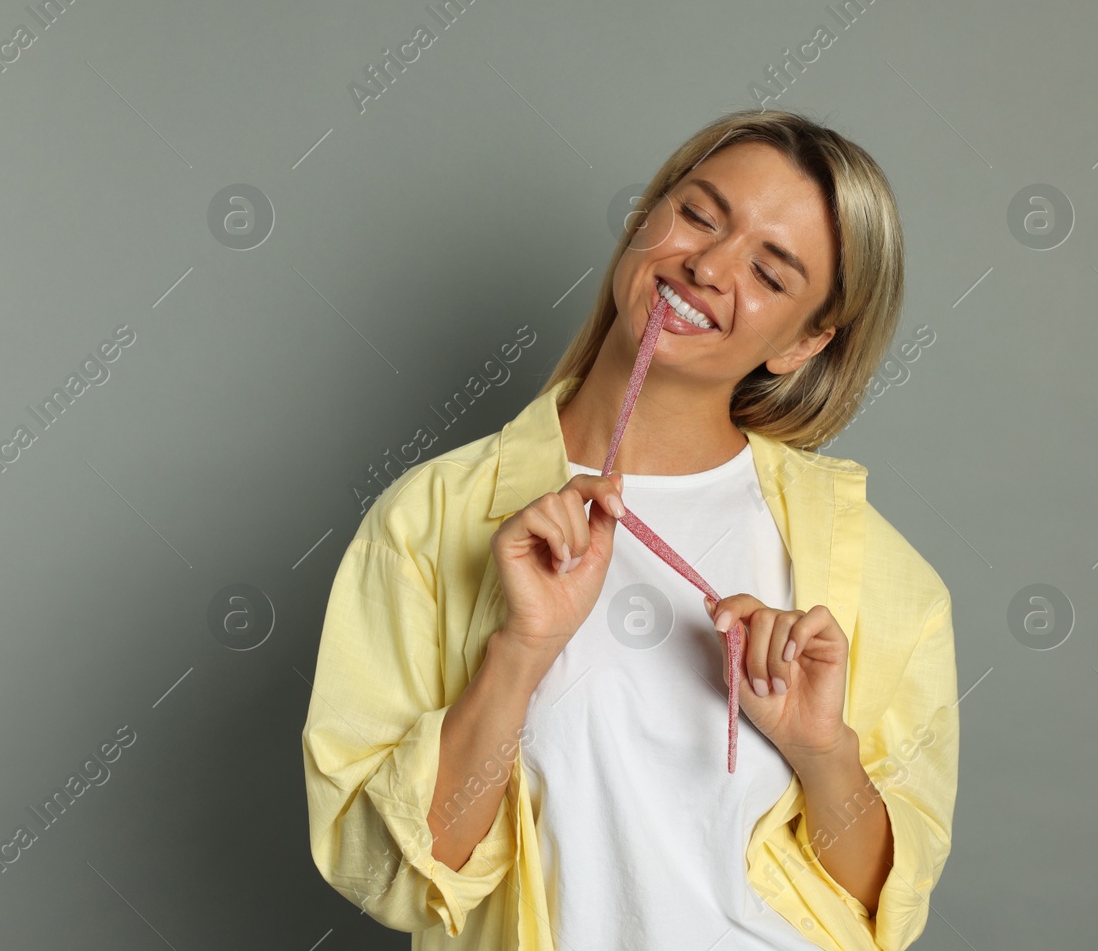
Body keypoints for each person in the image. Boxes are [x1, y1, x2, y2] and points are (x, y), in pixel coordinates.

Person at [302, 109, 959, 951]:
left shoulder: (882, 579)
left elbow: (885, 910)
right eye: (697, 214)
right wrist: (521, 650)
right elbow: (394, 874)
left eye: (771, 269)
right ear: (647, 216)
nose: (708, 266)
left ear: (803, 343)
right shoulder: (429, 520)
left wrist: (820, 748)